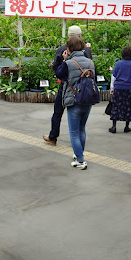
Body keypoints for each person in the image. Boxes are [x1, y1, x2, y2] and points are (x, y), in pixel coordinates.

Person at [43, 25, 92, 146]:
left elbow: (56, 68)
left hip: (66, 87)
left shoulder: (62, 50)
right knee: (80, 118)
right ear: (80, 36)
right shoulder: (87, 51)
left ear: (68, 37)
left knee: (58, 112)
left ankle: (53, 137)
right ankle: (79, 144)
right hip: (84, 88)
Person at [55, 36, 96, 170]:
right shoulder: (90, 62)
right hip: (87, 99)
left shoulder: (69, 63)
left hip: (73, 100)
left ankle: (80, 161)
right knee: (81, 129)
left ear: (69, 48)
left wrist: (65, 60)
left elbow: (59, 74)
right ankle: (79, 154)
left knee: (73, 132)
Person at [108, 46, 131, 134]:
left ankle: (114, 126)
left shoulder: (118, 64)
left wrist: (112, 88)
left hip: (119, 88)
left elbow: (113, 77)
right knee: (129, 107)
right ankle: (126, 126)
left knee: (116, 106)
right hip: (129, 88)